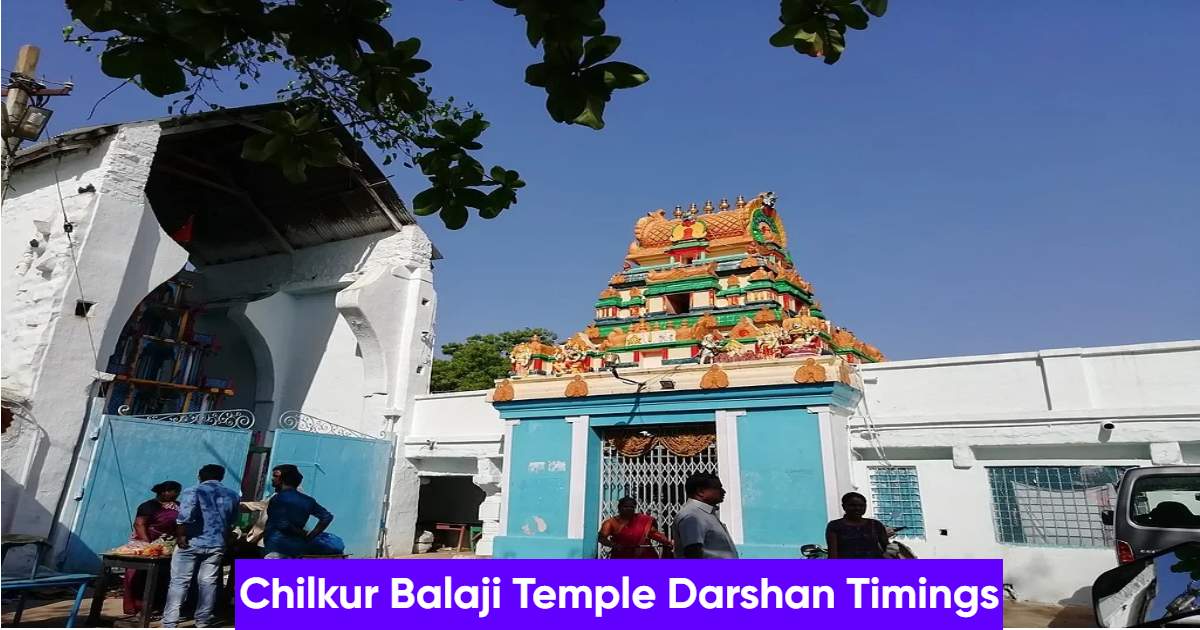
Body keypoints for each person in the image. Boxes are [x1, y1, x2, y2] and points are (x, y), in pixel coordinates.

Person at [163, 464, 240, 628]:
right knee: (208, 583)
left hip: (191, 542)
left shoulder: (194, 491)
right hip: (216, 544)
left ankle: (170, 622)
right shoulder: (232, 495)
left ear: (200, 476)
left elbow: (185, 515)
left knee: (179, 582)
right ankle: (203, 620)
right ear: (221, 477)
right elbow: (232, 522)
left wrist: (181, 536)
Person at [123, 480, 180, 616]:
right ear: (164, 492)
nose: (177, 494)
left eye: (178, 492)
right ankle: (136, 606)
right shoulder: (149, 506)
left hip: (167, 543)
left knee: (163, 576)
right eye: (174, 491)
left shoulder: (178, 506)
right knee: (137, 574)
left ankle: (157, 605)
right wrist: (147, 543)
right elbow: (139, 524)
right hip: (145, 543)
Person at [263, 464, 334, 558]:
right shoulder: (308, 501)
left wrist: (300, 533)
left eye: (276, 476)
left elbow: (282, 524)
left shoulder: (278, 499)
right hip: (298, 548)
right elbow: (327, 517)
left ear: (284, 479)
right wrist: (310, 536)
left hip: (277, 548)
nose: (272, 479)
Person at [674, 472, 738, 559]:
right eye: (718, 488)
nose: (723, 491)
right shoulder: (692, 516)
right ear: (700, 492)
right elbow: (693, 553)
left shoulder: (705, 513)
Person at [598, 497, 674, 559]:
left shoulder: (642, 521)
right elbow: (601, 538)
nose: (629, 509)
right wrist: (614, 545)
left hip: (644, 557)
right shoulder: (610, 523)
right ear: (619, 508)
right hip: (622, 556)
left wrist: (667, 542)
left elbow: (654, 534)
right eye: (625, 507)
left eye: (631, 507)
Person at [825, 491, 890, 559]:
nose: (857, 508)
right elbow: (832, 555)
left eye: (861, 505)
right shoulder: (835, 526)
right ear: (844, 506)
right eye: (853, 505)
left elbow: (888, 549)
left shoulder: (875, 525)